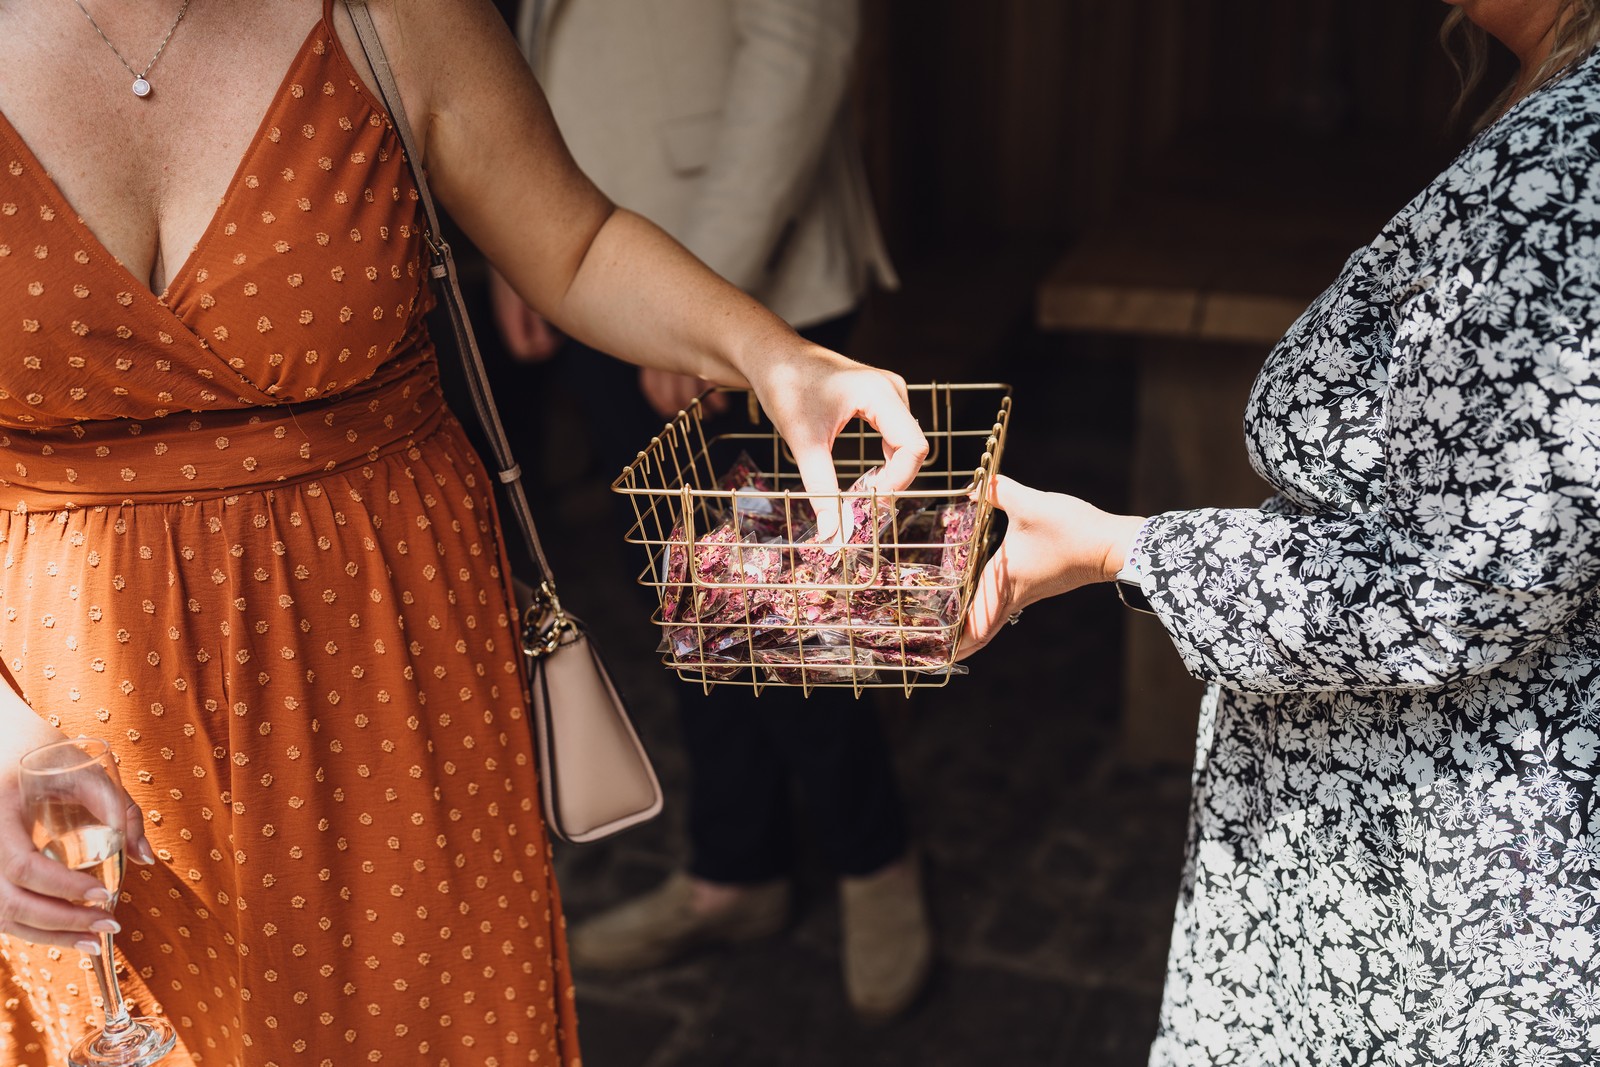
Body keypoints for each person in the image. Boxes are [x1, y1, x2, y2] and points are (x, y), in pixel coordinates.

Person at [0, 1, 927, 1064]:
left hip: (393, 676)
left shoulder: (390, 14)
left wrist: (770, 354)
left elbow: (573, 247)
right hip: (68, 720)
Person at [961, 1, 1600, 1063]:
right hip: (1397, 842)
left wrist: (1120, 550)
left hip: (1449, 868)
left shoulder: (1573, 166)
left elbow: (1444, 590)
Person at [491, 0, 930, 1024]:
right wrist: (523, 237)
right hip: (590, 262)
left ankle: (878, 856)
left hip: (734, 269)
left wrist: (703, 303)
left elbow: (804, 38)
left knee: (781, 608)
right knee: (689, 594)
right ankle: (735, 872)